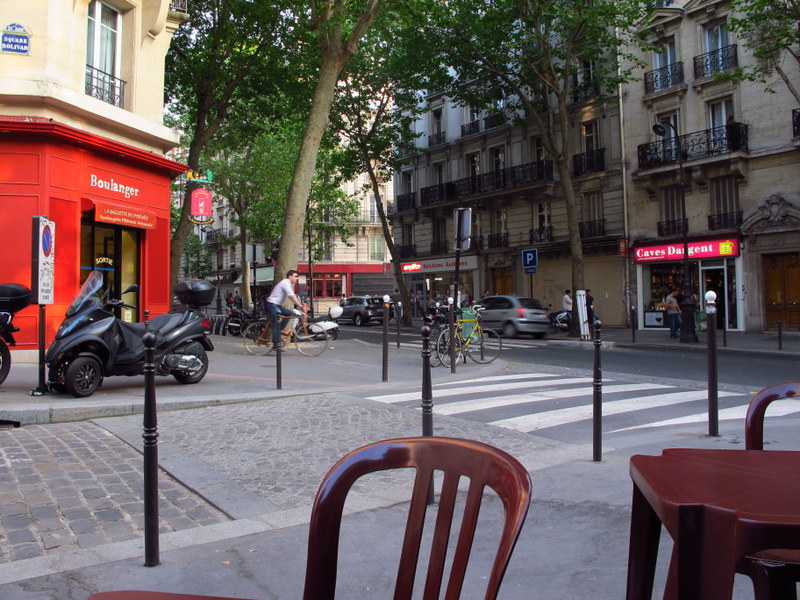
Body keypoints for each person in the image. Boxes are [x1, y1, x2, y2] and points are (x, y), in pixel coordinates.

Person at [264, 270, 306, 351]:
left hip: (277, 305)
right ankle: (276, 345)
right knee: (276, 324)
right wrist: (300, 306)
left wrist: (300, 304)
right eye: (295, 276)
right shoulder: (285, 283)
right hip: (272, 304)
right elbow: (291, 296)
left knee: (289, 313)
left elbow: (293, 296)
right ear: (290, 276)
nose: (297, 278)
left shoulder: (288, 283)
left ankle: (280, 330)